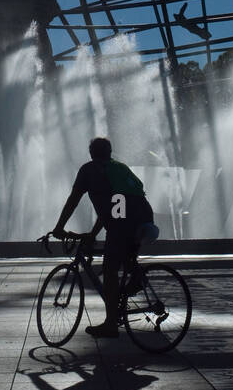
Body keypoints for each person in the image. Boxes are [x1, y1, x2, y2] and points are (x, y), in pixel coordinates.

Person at [51, 137, 157, 337]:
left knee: (109, 271)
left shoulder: (89, 170)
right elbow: (114, 207)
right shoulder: (120, 167)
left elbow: (74, 199)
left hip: (123, 223)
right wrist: (93, 233)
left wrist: (59, 227)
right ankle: (136, 278)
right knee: (126, 258)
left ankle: (110, 324)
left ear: (91, 153)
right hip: (144, 218)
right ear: (110, 152)